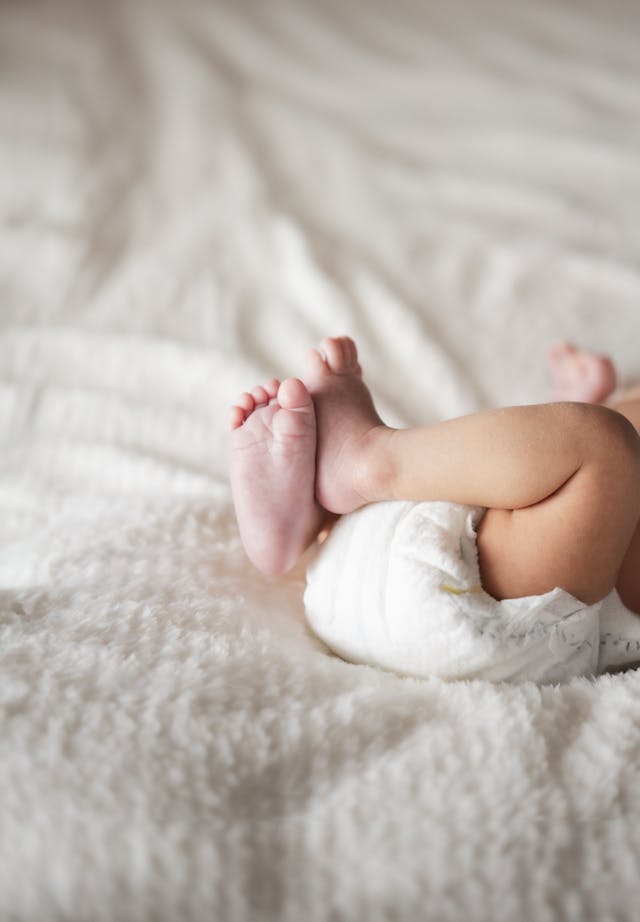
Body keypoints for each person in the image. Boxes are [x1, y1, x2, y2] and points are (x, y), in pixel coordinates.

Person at [228, 336, 640, 620]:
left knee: (606, 444)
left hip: (518, 602)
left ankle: (372, 458)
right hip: (396, 551)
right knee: (584, 442)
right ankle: (308, 525)